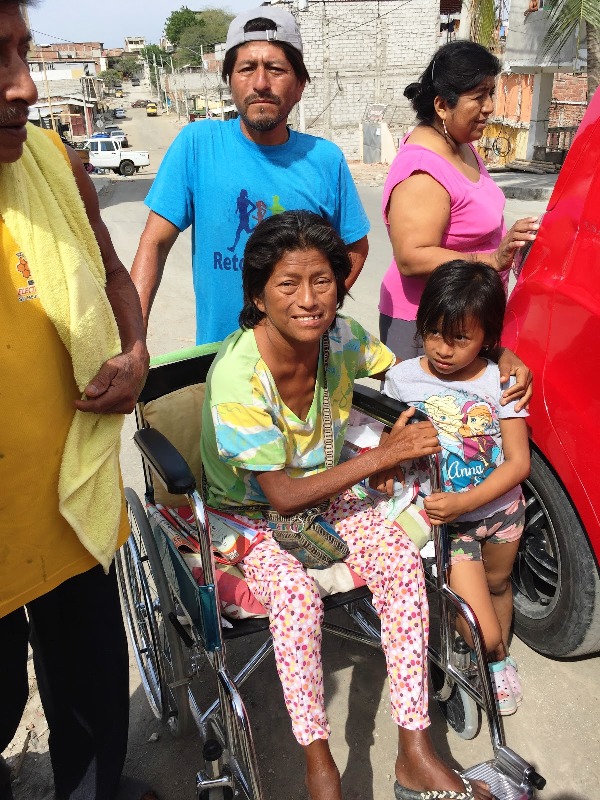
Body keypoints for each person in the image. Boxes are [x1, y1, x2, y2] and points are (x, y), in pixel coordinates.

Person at [201, 210, 495, 800]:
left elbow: (405, 371)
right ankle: (320, 765)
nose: (310, 300)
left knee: (401, 564)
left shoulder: (341, 338)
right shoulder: (238, 379)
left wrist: (498, 362)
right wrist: (382, 455)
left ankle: (415, 750)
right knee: (294, 597)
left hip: (328, 495)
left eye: (323, 281)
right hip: (251, 517)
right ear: (257, 296)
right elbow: (282, 496)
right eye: (288, 284)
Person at [0, 3, 151, 799]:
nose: (25, 85)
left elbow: (116, 275)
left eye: (23, 53)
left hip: (70, 505)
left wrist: (136, 352)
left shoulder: (54, 160)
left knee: (90, 704)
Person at [131, 6, 370, 346]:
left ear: (300, 85)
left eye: (276, 69)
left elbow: (355, 247)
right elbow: (154, 244)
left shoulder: (325, 159)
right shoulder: (198, 144)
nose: (260, 83)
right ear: (229, 81)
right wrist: (133, 339)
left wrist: (313, 312)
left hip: (302, 362)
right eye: (246, 69)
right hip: (218, 356)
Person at [384, 260, 530, 716]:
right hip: (452, 525)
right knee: (480, 627)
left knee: (499, 584)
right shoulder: (401, 380)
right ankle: (485, 645)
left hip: (503, 513)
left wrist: (465, 499)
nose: (443, 349)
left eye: (460, 339)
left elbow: (518, 462)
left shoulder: (500, 381)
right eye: (433, 332)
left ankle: (498, 662)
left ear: (487, 338)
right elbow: (389, 445)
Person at [379, 40, 539, 360]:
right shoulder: (422, 171)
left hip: (467, 319)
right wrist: (490, 260)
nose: (489, 107)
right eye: (478, 96)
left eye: (490, 93)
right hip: (429, 327)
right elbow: (412, 257)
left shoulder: (461, 145)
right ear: (442, 106)